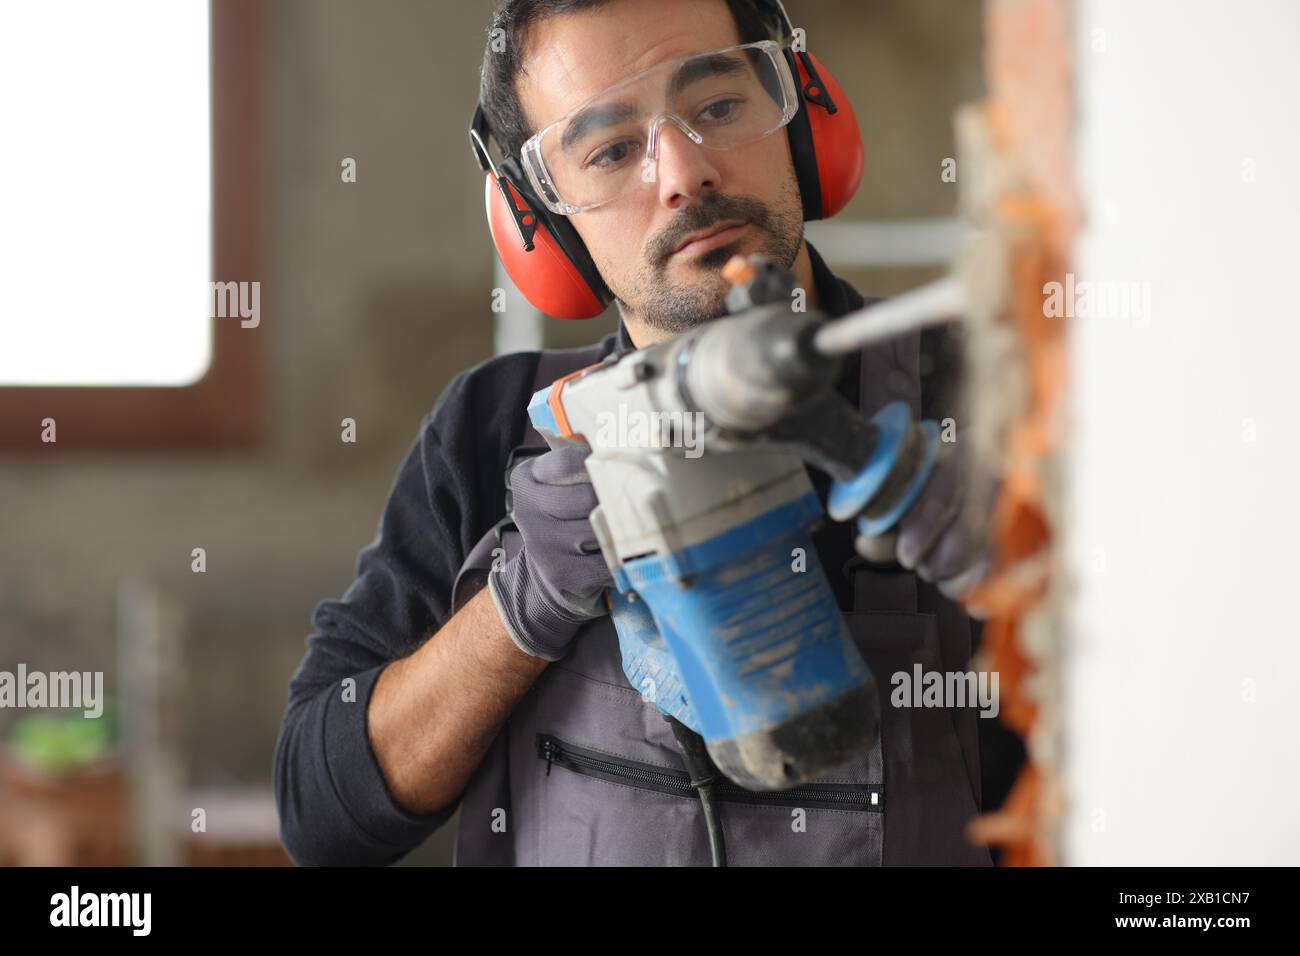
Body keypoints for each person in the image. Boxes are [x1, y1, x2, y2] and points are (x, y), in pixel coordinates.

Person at [274, 0, 994, 866]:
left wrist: (1007, 554)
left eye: (720, 105)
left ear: (803, 109)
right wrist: (520, 605)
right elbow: (319, 816)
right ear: (537, 225)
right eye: (611, 149)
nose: (683, 170)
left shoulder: (979, 389)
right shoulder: (494, 428)